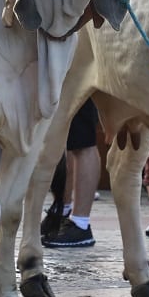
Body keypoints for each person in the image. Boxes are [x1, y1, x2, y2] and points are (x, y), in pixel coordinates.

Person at [43, 100, 102, 247]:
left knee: (83, 139)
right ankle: (62, 209)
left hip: (83, 78)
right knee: (68, 139)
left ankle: (81, 224)